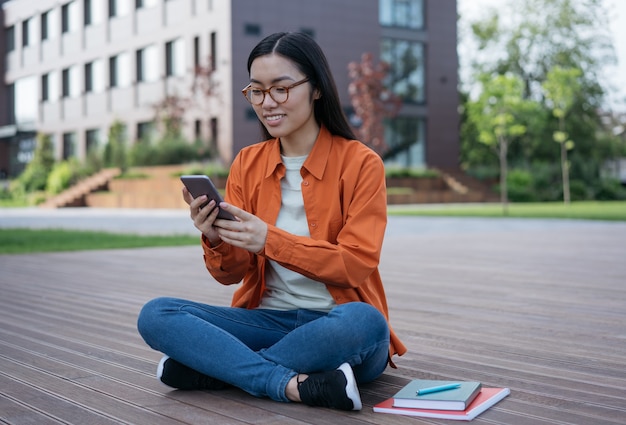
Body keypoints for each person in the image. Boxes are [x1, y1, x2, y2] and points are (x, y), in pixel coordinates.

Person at [137, 31, 406, 411]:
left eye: (281, 89)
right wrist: (216, 236)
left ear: (316, 89)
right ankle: (291, 383)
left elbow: (354, 265)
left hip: (337, 326)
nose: (268, 103)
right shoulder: (248, 163)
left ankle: (218, 370)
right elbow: (232, 275)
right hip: (265, 321)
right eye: (257, 91)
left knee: (366, 322)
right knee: (157, 314)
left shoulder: (361, 164)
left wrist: (269, 240)